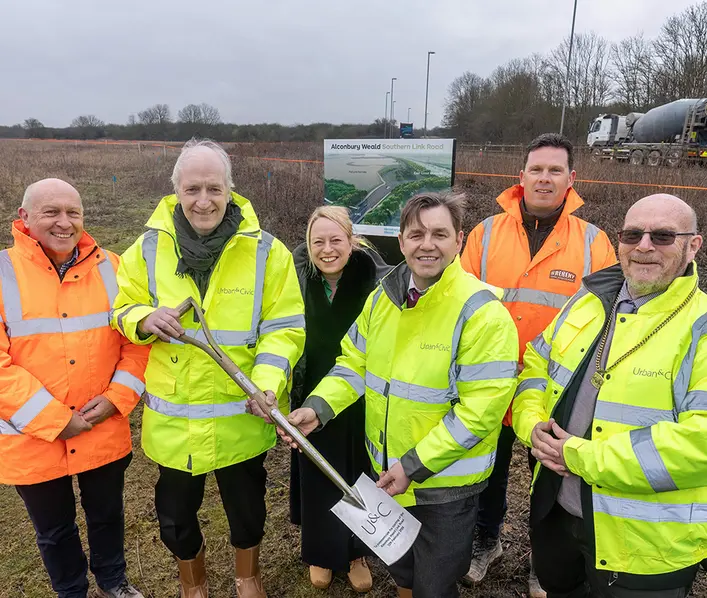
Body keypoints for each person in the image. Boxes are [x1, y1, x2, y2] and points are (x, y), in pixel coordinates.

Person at [261, 192, 519, 598]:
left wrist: (413, 466)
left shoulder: (483, 314)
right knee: (402, 572)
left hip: (443, 485)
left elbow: (479, 414)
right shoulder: (383, 298)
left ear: (459, 240)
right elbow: (353, 364)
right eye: (416, 234)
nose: (427, 244)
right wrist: (317, 408)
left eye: (439, 233)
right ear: (401, 241)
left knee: (434, 585)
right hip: (388, 473)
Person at [110, 139, 305, 598]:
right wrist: (142, 319)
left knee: (248, 510)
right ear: (175, 189)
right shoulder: (146, 249)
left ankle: (247, 575)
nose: (204, 200)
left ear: (230, 190)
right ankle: (191, 583)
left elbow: (286, 328)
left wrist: (268, 384)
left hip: (241, 417)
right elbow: (119, 308)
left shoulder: (266, 252)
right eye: (193, 188)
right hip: (175, 426)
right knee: (175, 516)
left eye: (214, 188)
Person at [513, 193, 707, 597]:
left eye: (663, 235)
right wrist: (530, 424)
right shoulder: (589, 299)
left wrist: (579, 456)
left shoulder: (699, 328)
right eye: (632, 234)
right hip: (556, 511)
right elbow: (536, 363)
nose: (644, 246)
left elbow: (699, 445)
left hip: (642, 545)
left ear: (694, 245)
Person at [460, 133, 616, 596]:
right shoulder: (484, 234)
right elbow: (459, 302)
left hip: (553, 390)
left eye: (555, 171)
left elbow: (607, 320)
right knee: (485, 468)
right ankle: (486, 541)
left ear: (571, 179)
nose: (544, 178)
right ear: (520, 175)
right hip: (488, 380)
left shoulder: (594, 243)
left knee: (550, 476)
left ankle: (541, 559)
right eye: (536, 169)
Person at [0, 179, 149, 598]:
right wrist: (56, 420)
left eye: (73, 213)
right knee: (53, 529)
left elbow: (137, 347)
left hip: (102, 426)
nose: (64, 223)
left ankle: (113, 581)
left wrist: (116, 400)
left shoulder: (114, 268)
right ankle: (71, 591)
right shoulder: (2, 273)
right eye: (51, 212)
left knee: (107, 515)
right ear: (24, 218)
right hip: (32, 437)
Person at [289, 206, 391, 592]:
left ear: (352, 242)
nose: (327, 250)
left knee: (358, 471)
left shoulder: (377, 283)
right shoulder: (297, 281)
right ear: (309, 245)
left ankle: (355, 551)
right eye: (319, 242)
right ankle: (320, 551)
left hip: (361, 394)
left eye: (336, 240)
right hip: (311, 395)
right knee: (316, 472)